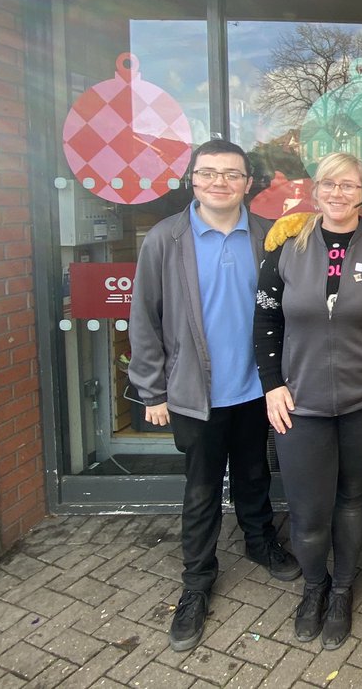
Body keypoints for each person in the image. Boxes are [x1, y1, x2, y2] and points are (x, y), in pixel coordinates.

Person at [129, 139, 301, 654]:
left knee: (253, 472)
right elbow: (145, 317)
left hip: (256, 389)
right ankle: (197, 582)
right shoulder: (166, 239)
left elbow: (285, 313)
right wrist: (152, 390)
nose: (219, 182)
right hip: (192, 393)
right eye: (209, 174)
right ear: (193, 180)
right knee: (202, 488)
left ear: (249, 183)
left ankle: (258, 542)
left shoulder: (270, 238)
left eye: (232, 174)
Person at [254, 152, 362, 649]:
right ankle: (314, 586)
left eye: (350, 185)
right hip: (300, 403)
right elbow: (266, 320)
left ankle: (342, 589)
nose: (338, 193)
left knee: (353, 498)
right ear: (314, 191)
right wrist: (272, 383)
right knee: (307, 508)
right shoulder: (284, 248)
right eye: (329, 185)